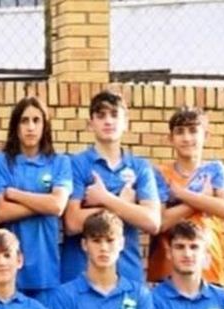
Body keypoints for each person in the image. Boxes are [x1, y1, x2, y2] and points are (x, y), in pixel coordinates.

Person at [63, 90, 160, 283]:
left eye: (115, 115)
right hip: (80, 275)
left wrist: (106, 199)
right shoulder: (76, 164)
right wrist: (124, 205)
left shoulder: (140, 167)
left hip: (127, 274)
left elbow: (152, 221)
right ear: (91, 124)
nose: (108, 121)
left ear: (126, 122)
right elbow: (72, 223)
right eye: (101, 115)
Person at [0, 97, 71, 306]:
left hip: (46, 271)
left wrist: (15, 194)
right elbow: (0, 212)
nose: (30, 127)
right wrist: (43, 202)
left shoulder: (60, 163)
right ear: (16, 126)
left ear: (45, 126)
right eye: (24, 121)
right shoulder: (0, 162)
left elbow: (57, 206)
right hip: (9, 271)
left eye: (37, 121)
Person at [149, 107, 224, 284]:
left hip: (209, 268)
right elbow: (161, 222)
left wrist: (183, 194)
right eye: (180, 132)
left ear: (206, 136)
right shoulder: (160, 173)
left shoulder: (214, 170)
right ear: (170, 138)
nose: (187, 138)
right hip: (167, 271)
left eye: (193, 131)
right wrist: (202, 200)